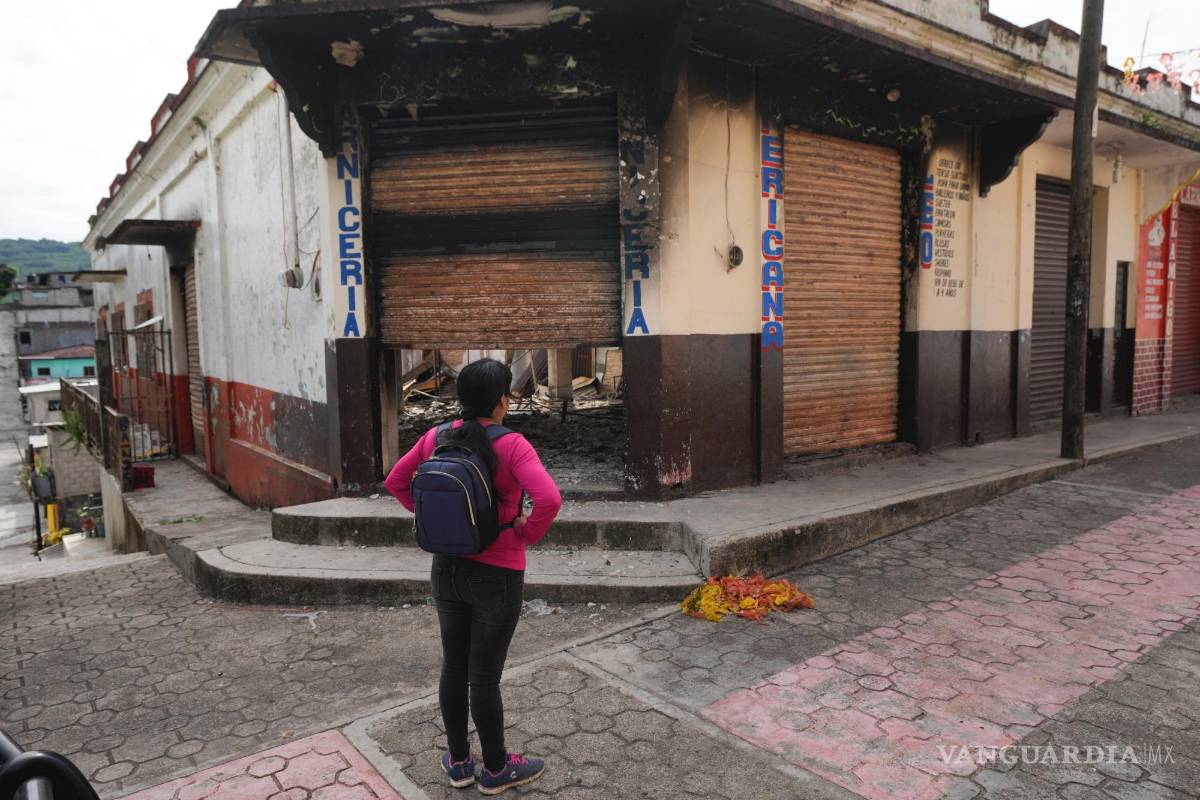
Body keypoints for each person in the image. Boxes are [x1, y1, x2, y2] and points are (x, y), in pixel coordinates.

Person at [384, 358, 563, 795]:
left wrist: (438, 521)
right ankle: (498, 769)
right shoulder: (514, 445)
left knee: (454, 668)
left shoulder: (435, 436)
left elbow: (396, 482)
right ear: (502, 400)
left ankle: (460, 763)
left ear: (461, 399)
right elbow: (549, 500)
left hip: (446, 566)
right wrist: (525, 532)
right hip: (498, 571)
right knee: (484, 676)